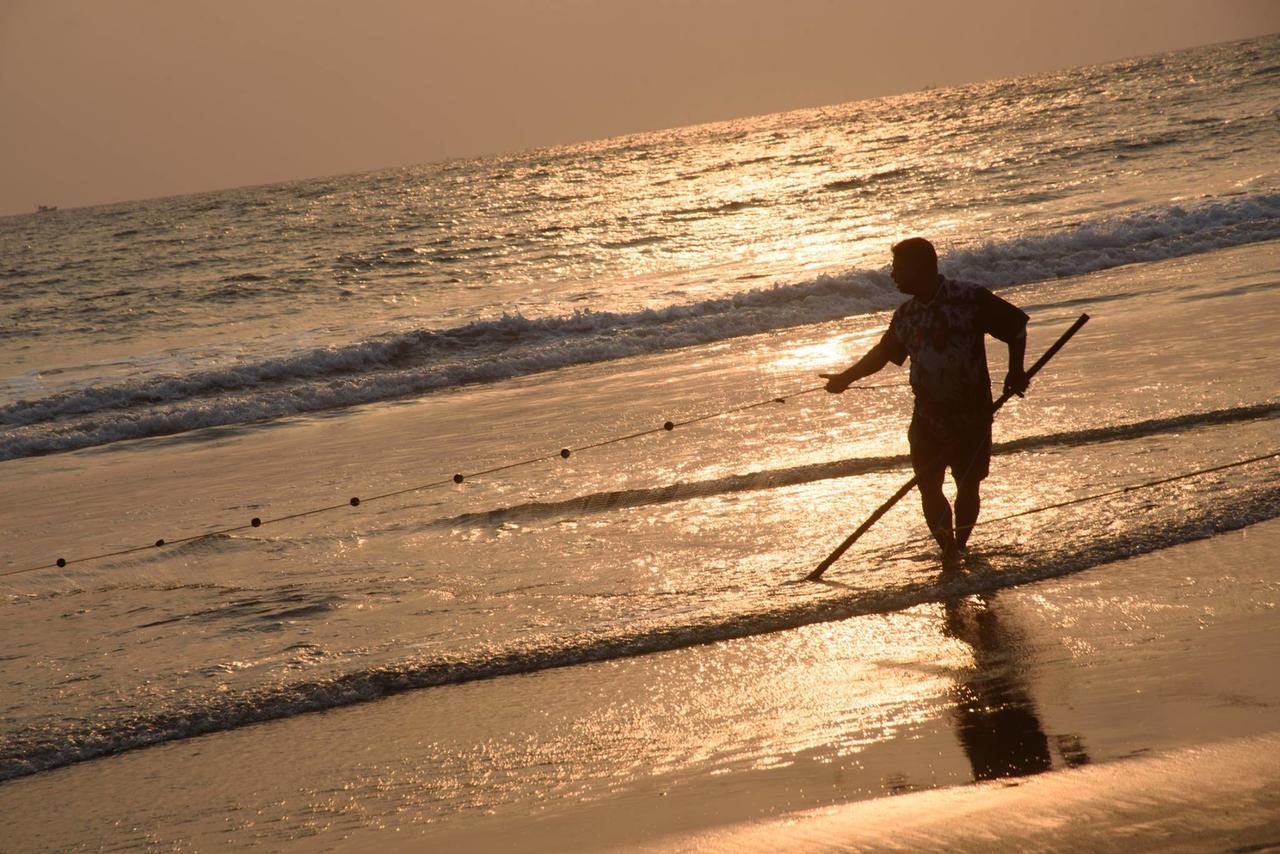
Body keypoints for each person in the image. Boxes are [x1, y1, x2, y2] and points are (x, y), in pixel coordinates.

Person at [820, 238, 1029, 563]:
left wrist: (1016, 371)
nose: (892, 275)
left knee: (968, 485)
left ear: (920, 267)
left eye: (897, 268)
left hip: (971, 414)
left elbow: (1015, 326)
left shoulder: (969, 298)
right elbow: (881, 355)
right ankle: (948, 551)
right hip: (927, 418)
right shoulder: (906, 315)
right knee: (928, 487)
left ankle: (960, 546)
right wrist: (845, 378)